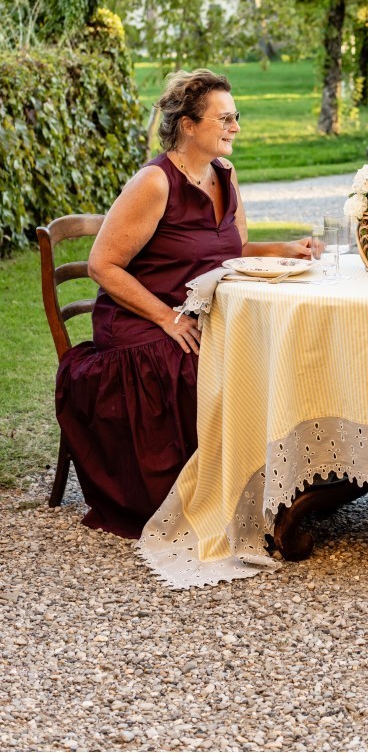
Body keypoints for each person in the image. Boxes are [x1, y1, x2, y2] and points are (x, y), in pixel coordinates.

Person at [55, 69, 312, 539]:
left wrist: (284, 248)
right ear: (188, 125)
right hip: (139, 322)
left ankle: (280, 485)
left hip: (195, 314)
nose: (236, 126)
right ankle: (215, 493)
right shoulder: (155, 182)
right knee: (200, 366)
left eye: (237, 116)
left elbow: (227, 250)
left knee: (276, 349)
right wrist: (166, 316)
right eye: (226, 118)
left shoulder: (225, 174)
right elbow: (102, 265)